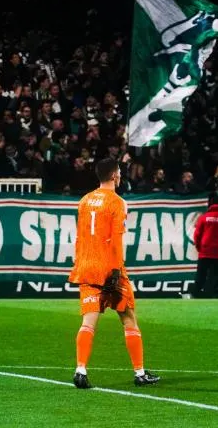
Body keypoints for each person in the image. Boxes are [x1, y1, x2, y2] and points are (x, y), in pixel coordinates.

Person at [68, 157, 159, 389]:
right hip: (109, 267)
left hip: (87, 267)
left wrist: (80, 264)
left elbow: (80, 237)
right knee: (129, 320)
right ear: (113, 176)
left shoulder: (84, 201)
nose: (120, 175)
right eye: (119, 172)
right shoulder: (117, 203)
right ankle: (139, 373)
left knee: (88, 323)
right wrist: (117, 269)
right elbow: (116, 240)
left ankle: (80, 369)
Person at [192, 193, 218, 298]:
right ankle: (216, 295)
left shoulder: (203, 218)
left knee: (201, 275)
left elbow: (197, 235)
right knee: (217, 275)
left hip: (205, 251)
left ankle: (196, 294)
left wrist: (199, 248)